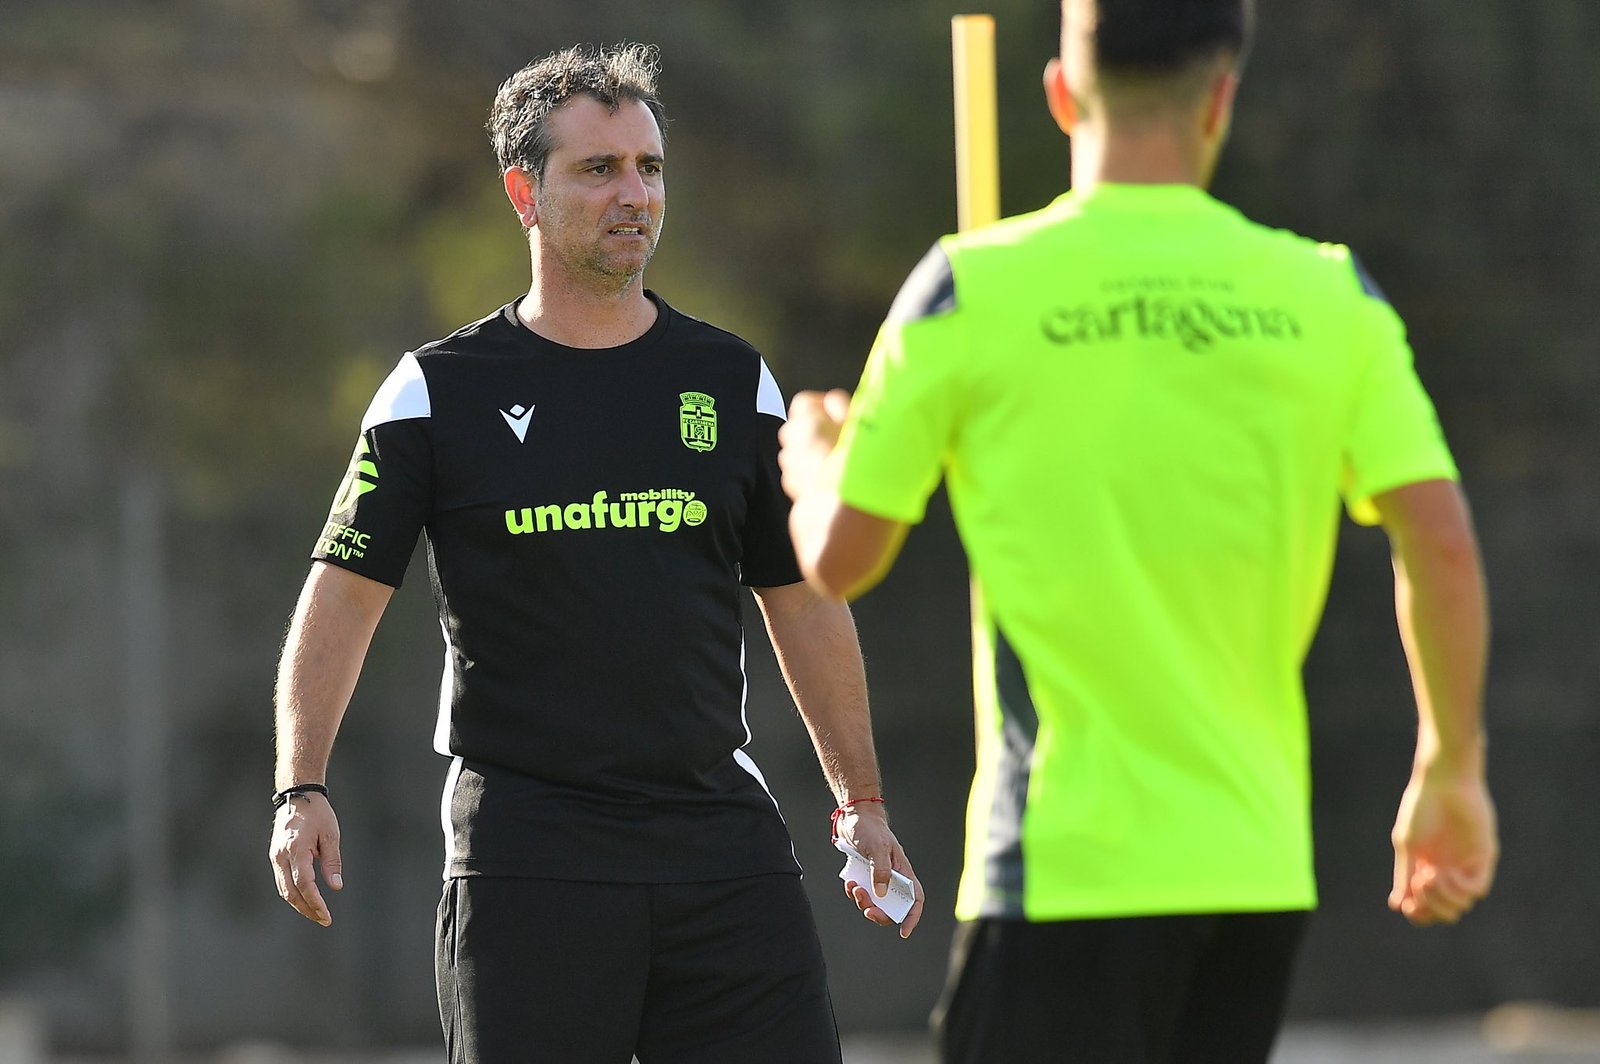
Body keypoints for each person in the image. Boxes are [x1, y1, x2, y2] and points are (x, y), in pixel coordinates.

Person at [778, 1, 1498, 1061]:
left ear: (1063, 96)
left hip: (1060, 869)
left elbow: (840, 557)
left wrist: (814, 465)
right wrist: (1450, 762)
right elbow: (1437, 543)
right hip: (1250, 877)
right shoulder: (1330, 294)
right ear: (1221, 99)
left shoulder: (967, 287)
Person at [268, 42, 920, 1064]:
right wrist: (299, 784)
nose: (635, 195)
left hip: (719, 847)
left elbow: (800, 597)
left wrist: (862, 803)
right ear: (523, 190)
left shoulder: (729, 377)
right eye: (599, 169)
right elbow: (341, 597)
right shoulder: (434, 392)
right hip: (528, 853)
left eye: (649, 168)